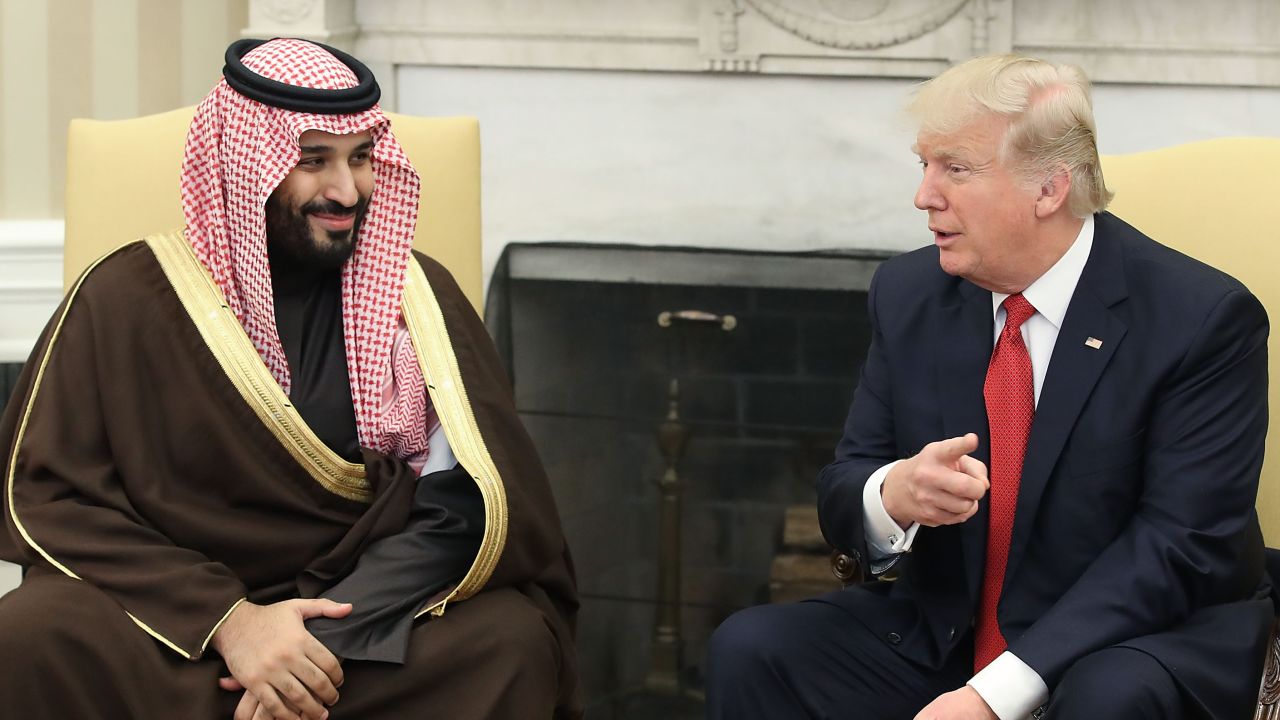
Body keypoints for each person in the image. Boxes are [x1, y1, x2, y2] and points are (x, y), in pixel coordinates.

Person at [0, 38, 581, 720]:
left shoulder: (417, 299)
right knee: (32, 634)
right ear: (247, 165)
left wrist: (312, 647)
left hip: (352, 625)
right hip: (174, 623)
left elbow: (464, 505)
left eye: (362, 157)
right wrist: (234, 622)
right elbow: (51, 498)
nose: (346, 190)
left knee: (509, 642)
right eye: (313, 161)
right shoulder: (124, 298)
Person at [706, 54, 1272, 720]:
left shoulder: (1201, 318)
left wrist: (992, 696)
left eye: (955, 168)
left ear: (1049, 189)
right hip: (950, 631)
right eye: (923, 165)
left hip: (1136, 636)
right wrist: (893, 495)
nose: (924, 195)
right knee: (753, 647)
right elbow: (846, 481)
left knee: (1107, 699)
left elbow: (1179, 548)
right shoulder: (909, 293)